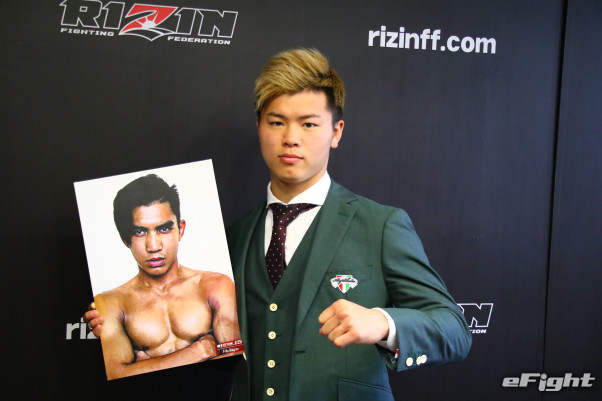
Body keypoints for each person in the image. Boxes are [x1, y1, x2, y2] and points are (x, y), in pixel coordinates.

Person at [87, 48, 471, 399]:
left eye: (309, 124)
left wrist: (383, 323)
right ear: (259, 126)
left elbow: (454, 330)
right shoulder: (236, 237)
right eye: (277, 122)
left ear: (336, 132)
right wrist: (125, 326)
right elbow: (216, 343)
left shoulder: (381, 225)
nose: (290, 139)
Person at [91, 174, 242, 380]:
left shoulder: (216, 286)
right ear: (125, 239)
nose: (154, 246)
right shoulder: (110, 303)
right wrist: (197, 352)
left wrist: (144, 366)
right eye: (140, 232)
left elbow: (234, 357)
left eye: (163, 229)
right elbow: (118, 374)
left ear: (180, 229)